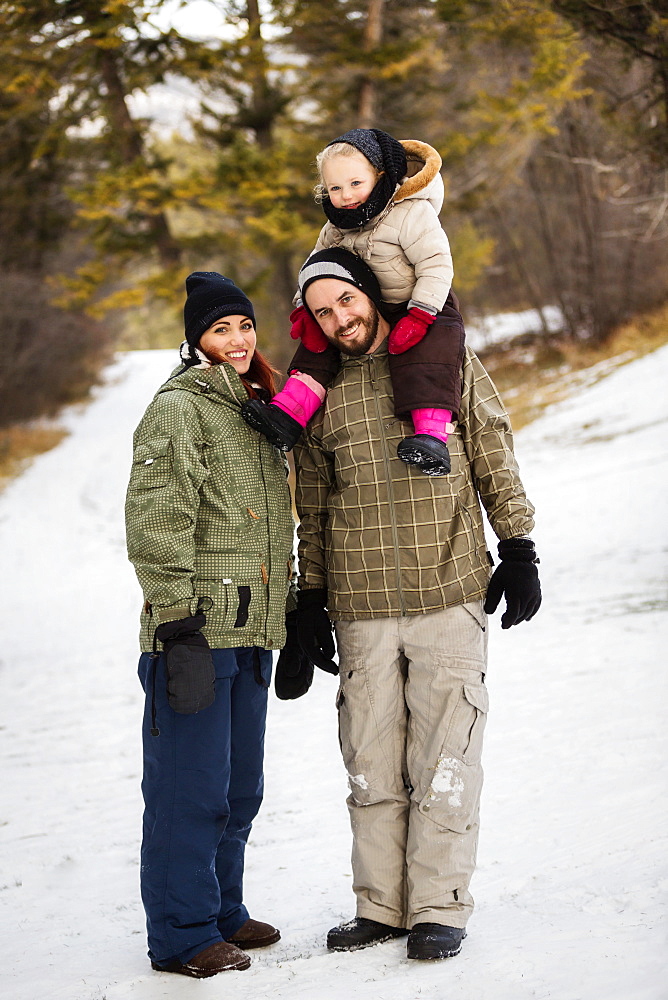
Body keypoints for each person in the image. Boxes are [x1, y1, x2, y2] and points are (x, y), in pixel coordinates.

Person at [275, 248, 542, 961]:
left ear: (370, 294)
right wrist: (310, 600)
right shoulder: (316, 391)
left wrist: (517, 546)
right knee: (369, 764)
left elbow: (492, 446)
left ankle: (437, 906)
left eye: (347, 302)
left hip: (447, 590)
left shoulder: (437, 355)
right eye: (323, 312)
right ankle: (380, 907)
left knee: (445, 759)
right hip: (359, 609)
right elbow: (314, 506)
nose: (340, 320)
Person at [125, 272, 310, 978]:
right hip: (195, 632)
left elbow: (268, 528)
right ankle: (181, 934)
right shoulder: (181, 407)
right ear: (195, 338)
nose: (236, 341)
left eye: (243, 327)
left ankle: (222, 911)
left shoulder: (253, 407)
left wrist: (287, 619)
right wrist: (176, 625)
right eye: (219, 330)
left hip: (251, 628)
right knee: (188, 791)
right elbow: (155, 515)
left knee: (238, 790)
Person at [241, 127, 465, 477]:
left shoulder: (411, 213)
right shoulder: (335, 227)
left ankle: (431, 435)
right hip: (363, 307)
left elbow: (436, 266)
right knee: (319, 346)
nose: (346, 196)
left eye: (355, 183)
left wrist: (422, 314)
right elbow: (313, 265)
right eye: (335, 188)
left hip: (423, 302)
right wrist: (305, 308)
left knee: (430, 355)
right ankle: (289, 414)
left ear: (379, 176)